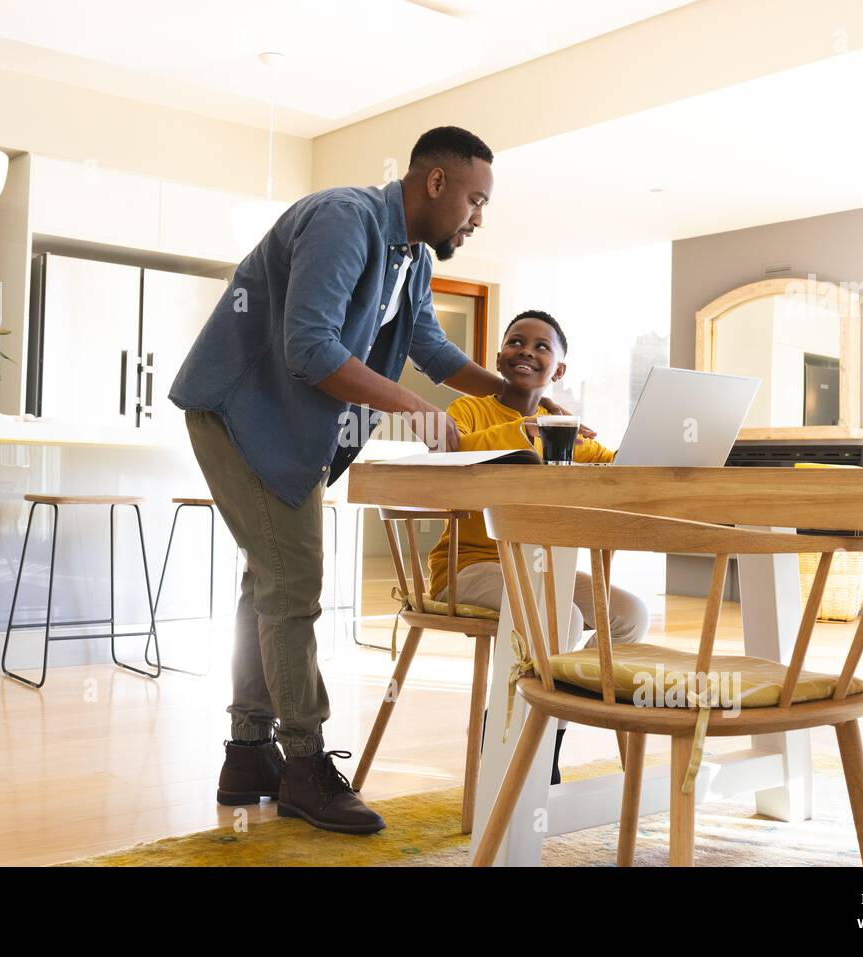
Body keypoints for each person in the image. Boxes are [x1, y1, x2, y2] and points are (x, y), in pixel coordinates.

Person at [169, 127, 580, 834]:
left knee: (268, 579)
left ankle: (247, 753)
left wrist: (528, 400)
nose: (478, 217)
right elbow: (310, 347)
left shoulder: (412, 258)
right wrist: (413, 406)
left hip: (287, 426)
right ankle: (302, 764)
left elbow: (432, 349)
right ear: (434, 183)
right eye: (475, 200)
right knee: (293, 578)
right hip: (239, 410)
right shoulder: (345, 219)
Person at [425, 308, 651, 783]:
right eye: (516, 342)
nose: (526, 351)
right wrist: (523, 432)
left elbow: (618, 468)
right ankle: (507, 733)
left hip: (543, 570)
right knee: (561, 616)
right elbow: (451, 451)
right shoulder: (471, 409)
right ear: (500, 355)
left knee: (629, 614)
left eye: (541, 346)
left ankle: (546, 731)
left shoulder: (564, 428)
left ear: (559, 370)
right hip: (469, 568)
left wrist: (655, 453)